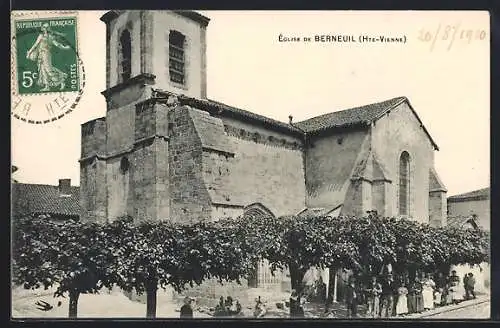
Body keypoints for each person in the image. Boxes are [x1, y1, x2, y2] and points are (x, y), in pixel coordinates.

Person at [26, 22, 71, 92]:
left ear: (49, 28)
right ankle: (47, 86)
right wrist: (29, 52)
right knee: (42, 69)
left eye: (47, 27)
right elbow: (35, 45)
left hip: (46, 54)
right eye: (44, 27)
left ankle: (61, 82)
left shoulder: (51, 37)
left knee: (48, 69)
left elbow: (57, 44)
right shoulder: (41, 36)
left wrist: (65, 48)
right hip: (40, 55)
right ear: (42, 28)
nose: (46, 29)